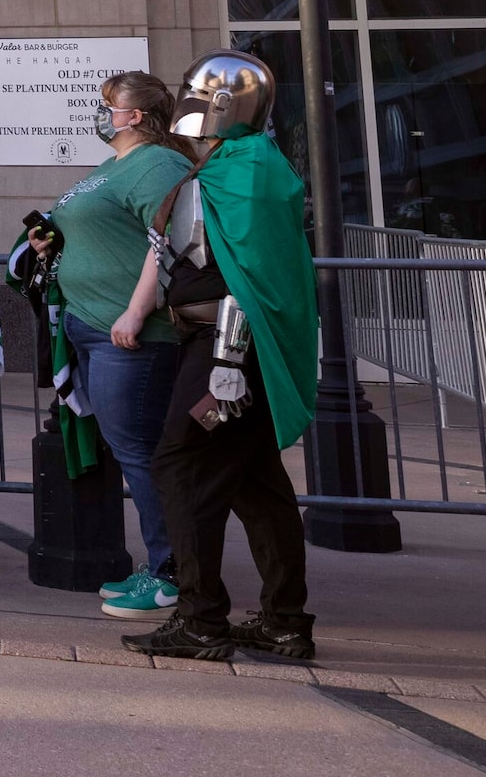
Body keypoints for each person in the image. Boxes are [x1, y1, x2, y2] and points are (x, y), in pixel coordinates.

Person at [120, 52, 320, 663]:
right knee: (258, 485)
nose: (188, 105)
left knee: (179, 467)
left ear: (225, 105)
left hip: (226, 349)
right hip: (226, 346)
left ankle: (202, 618)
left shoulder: (241, 171)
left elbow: (244, 279)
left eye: (196, 94)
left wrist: (229, 365)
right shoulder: (242, 166)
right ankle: (284, 621)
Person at [24, 69, 195, 622]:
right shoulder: (113, 167)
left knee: (139, 453)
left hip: (129, 335)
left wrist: (136, 309)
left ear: (136, 117)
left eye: (108, 105)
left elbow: (168, 237)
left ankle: (172, 571)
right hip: (92, 328)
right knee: (129, 451)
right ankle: (164, 565)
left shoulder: (158, 164)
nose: (101, 113)